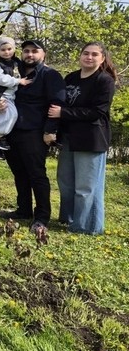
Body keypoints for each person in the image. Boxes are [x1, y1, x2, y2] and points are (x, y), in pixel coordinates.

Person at [0, 40, 66, 234]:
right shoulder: (12, 72)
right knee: (19, 173)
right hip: (11, 131)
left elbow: (57, 104)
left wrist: (50, 131)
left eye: (35, 51)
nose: (30, 54)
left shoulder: (50, 75)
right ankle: (23, 210)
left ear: (43, 54)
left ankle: (42, 217)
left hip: (35, 132)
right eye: (26, 51)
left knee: (36, 174)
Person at [48, 42, 116, 235]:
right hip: (69, 138)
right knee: (66, 182)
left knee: (86, 187)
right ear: (80, 56)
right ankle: (68, 218)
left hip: (91, 139)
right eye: (86, 53)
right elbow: (59, 103)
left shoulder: (104, 81)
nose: (89, 57)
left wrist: (63, 113)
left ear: (102, 59)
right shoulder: (71, 78)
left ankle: (86, 226)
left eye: (94, 54)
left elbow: (97, 112)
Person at [0, 37, 32, 160]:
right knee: (11, 114)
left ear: (14, 49)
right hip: (1, 94)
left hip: (10, 95)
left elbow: (27, 69)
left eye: (9, 49)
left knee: (8, 115)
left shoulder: (16, 62)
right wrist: (17, 81)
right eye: (3, 50)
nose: (7, 52)